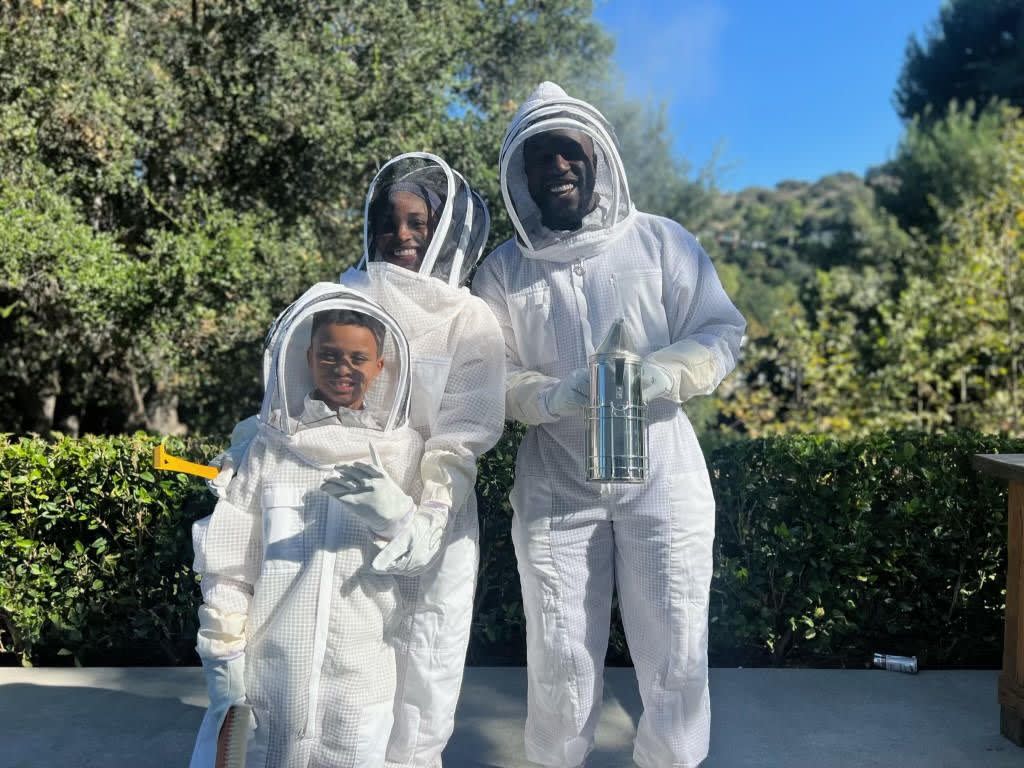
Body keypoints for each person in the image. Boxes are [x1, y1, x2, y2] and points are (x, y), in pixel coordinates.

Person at [471, 82, 746, 768]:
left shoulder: (661, 242)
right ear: (521, 175)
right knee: (560, 652)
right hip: (558, 485)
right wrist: (550, 393)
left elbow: (720, 331)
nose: (557, 166)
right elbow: (487, 377)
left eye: (570, 151)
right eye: (541, 157)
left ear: (598, 159)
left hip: (661, 476)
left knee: (676, 644)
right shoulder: (503, 271)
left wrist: (665, 371)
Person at [189, 284, 424, 768]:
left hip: (363, 671)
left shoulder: (401, 452)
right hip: (273, 669)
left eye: (359, 358)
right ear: (307, 356)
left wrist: (398, 519)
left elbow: (425, 567)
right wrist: (224, 651)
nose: (344, 369)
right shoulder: (269, 447)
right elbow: (231, 559)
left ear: (381, 367)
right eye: (330, 355)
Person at [335, 152, 505, 768]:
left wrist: (429, 513)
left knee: (428, 669)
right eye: (389, 220)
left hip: (439, 521)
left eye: (418, 223)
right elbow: (302, 404)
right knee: (351, 668)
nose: (401, 235)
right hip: (347, 513)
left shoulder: (469, 317)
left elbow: (462, 433)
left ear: (447, 230)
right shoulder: (342, 297)